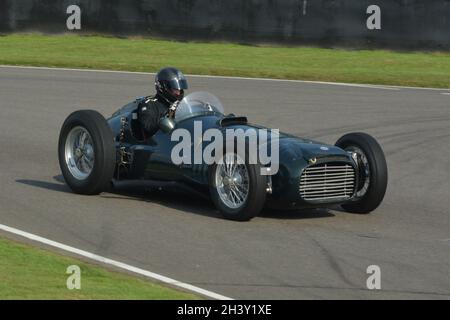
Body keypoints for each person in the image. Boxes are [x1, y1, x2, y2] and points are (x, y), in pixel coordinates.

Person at [138, 67, 188, 137]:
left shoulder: (183, 105)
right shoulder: (149, 104)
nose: (178, 93)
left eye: (180, 89)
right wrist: (167, 118)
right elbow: (148, 128)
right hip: (158, 144)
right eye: (175, 89)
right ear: (163, 87)